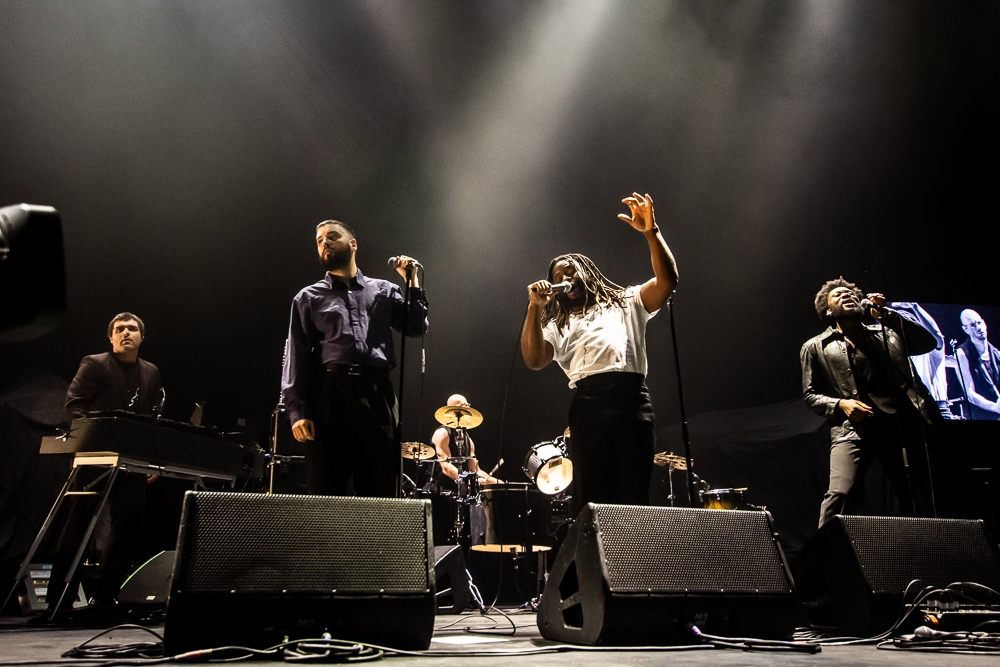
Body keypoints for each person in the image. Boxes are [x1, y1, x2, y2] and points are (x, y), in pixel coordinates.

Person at [520, 192, 678, 506]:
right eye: (556, 276)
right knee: (592, 500)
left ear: (587, 272)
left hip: (631, 399)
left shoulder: (627, 301)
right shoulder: (556, 323)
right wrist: (534, 307)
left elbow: (667, 281)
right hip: (588, 403)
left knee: (634, 495)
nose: (564, 277)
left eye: (569, 270)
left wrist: (652, 232)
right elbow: (534, 360)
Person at [281, 219, 428, 497]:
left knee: (380, 486)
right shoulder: (308, 297)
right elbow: (296, 355)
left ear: (353, 244)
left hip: (377, 394)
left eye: (332, 237)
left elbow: (416, 327)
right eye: (320, 240)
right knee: (325, 486)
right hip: (330, 393)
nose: (324, 243)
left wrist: (412, 282)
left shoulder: (384, 290)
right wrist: (297, 410)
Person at [801, 279, 940, 528]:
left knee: (917, 494)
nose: (847, 295)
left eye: (851, 293)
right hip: (852, 430)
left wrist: (887, 314)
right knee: (841, 494)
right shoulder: (815, 347)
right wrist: (842, 404)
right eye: (838, 295)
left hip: (899, 427)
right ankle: (826, 555)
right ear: (828, 311)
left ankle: (929, 551)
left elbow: (929, 343)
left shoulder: (886, 333)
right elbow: (810, 396)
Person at [54, 312, 163, 613]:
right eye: (119, 329)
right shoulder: (95, 364)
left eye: (131, 329)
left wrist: (150, 461)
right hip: (95, 456)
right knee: (79, 521)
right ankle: (59, 599)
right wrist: (93, 442)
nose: (125, 333)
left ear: (142, 336)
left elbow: (150, 419)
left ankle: (104, 596)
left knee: (128, 524)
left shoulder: (151, 371)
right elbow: (74, 406)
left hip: (130, 460)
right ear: (111, 337)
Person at [431, 394, 501, 491]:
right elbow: (446, 467)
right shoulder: (442, 433)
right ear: (450, 411)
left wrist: (496, 482)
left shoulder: (468, 440)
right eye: (460, 406)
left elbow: (475, 470)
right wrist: (470, 482)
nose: (465, 408)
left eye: (466, 405)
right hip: (441, 491)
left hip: (462, 491)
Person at [955, 309, 1000, 420]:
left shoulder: (996, 353)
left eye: (979, 323)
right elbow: (970, 394)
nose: (979, 328)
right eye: (973, 325)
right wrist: (995, 407)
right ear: (966, 329)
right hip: (980, 418)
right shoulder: (962, 353)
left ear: (984, 323)